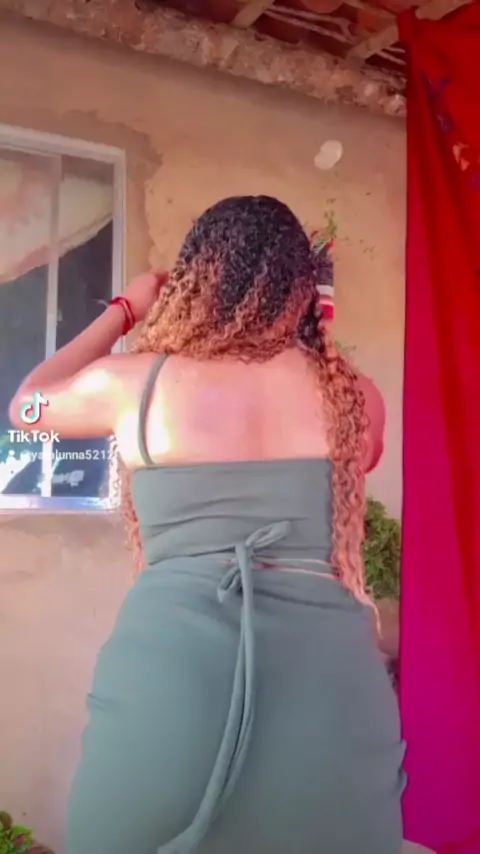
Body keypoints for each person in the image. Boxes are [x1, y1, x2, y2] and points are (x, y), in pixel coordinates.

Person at [9, 196, 405, 854]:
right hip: (329, 685)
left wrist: (126, 309)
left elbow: (26, 407)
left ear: (196, 281)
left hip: (170, 677)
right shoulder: (355, 400)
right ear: (302, 290)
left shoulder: (135, 385)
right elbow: (358, 466)